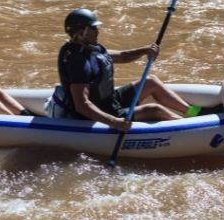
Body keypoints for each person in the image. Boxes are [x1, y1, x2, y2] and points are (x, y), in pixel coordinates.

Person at [57, 8, 206, 132]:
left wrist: (145, 50)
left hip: (110, 101)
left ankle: (194, 113)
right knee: (154, 110)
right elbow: (81, 105)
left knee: (150, 81)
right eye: (93, 28)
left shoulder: (91, 48)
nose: (98, 31)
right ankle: (195, 130)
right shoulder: (78, 63)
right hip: (100, 112)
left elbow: (122, 56)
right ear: (81, 31)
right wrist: (114, 122)